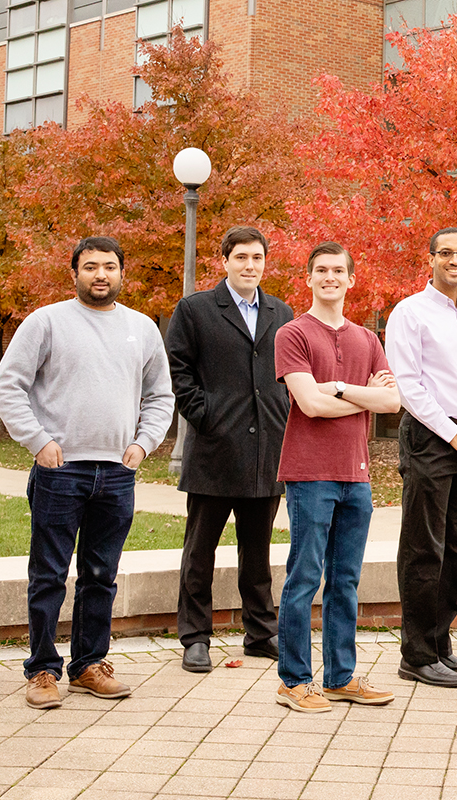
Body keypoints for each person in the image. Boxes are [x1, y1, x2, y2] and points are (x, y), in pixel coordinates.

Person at [0, 236, 174, 710]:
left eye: (109, 266)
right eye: (90, 266)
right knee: (49, 574)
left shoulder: (142, 328)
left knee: (101, 575)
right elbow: (7, 386)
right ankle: (43, 671)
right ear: (74, 273)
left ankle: (89, 664)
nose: (100, 274)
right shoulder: (47, 322)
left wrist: (143, 443)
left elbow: (160, 397)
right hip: (60, 471)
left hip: (117, 473)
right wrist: (39, 441)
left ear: (121, 273)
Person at [273, 241, 400, 713]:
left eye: (338, 271)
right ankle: (294, 681)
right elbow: (310, 404)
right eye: (321, 270)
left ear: (351, 279)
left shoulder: (368, 339)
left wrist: (345, 388)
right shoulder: (293, 334)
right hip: (309, 474)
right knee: (304, 578)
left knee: (345, 580)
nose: (330, 277)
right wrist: (364, 394)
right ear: (308, 278)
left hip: (356, 475)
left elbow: (392, 403)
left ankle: (340, 676)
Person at [166, 226, 294, 673]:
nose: (249, 266)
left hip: (267, 455)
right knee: (200, 552)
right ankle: (195, 637)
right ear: (224, 261)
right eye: (241, 257)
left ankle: (261, 633)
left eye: (257, 258)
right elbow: (178, 372)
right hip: (215, 453)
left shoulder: (281, 312)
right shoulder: (196, 309)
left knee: (257, 554)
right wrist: (207, 415)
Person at [385, 227, 457, 688]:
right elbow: (409, 387)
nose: (455, 260)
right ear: (430, 258)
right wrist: (454, 436)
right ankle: (416, 653)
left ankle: (440, 645)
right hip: (432, 438)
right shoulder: (408, 313)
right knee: (422, 546)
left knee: (455, 545)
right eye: (446, 253)